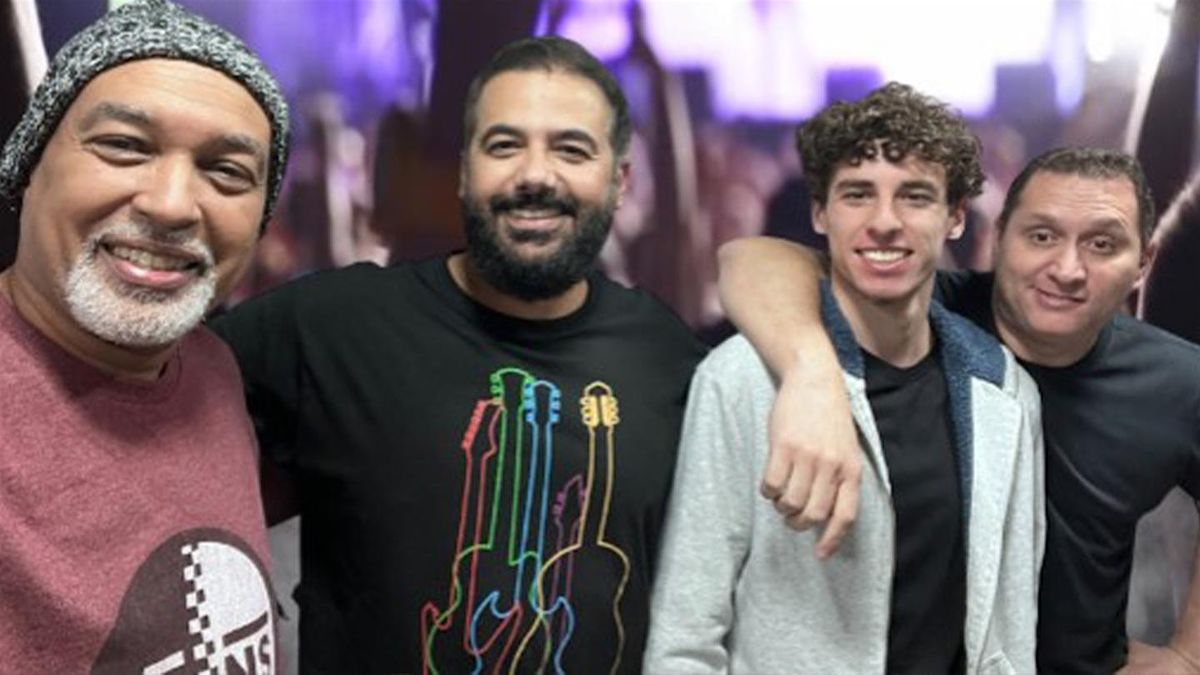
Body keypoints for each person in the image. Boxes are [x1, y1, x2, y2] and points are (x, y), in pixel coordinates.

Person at [211, 36, 705, 674]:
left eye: (571, 149)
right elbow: (138, 385)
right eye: (504, 145)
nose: (535, 175)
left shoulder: (671, 361)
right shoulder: (334, 325)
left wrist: (806, 358)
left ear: (619, 181)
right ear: (465, 172)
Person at [718, 146, 1200, 673]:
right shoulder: (918, 317)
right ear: (999, 238)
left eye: (1102, 244)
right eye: (1041, 236)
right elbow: (749, 260)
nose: (1068, 269)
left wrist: (1188, 652)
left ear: (1143, 263)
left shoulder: (1177, 381)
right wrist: (811, 375)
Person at [645, 82, 1042, 674]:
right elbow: (684, 636)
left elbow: (1011, 626)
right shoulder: (741, 379)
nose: (884, 222)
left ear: (956, 217)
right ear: (820, 213)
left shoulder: (1003, 390)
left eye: (915, 197)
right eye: (857, 195)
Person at [0, 0, 291, 671]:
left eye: (227, 172)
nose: (170, 204)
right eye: (124, 146)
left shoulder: (212, 368)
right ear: (28, 164)